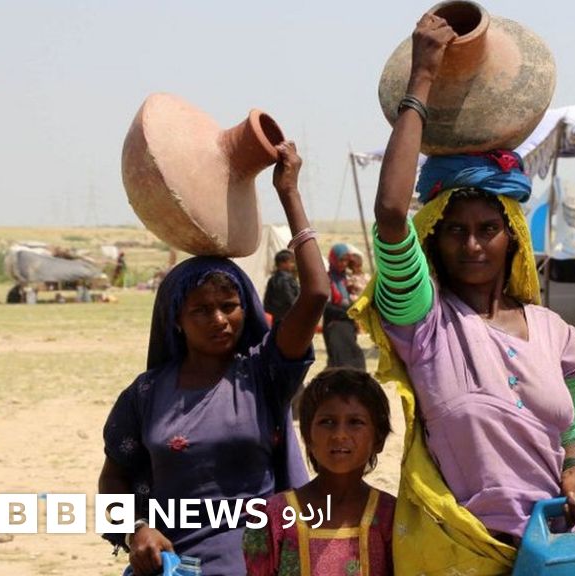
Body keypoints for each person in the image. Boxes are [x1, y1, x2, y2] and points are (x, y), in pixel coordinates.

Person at [349, 13, 575, 573]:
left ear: (512, 236)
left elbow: (568, 432)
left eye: (487, 229)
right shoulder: (425, 323)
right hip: (456, 552)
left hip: (550, 553)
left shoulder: (556, 335)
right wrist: (422, 78)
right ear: (434, 237)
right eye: (455, 230)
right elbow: (392, 214)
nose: (472, 244)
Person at [98, 142, 330, 576]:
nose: (219, 320)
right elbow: (113, 479)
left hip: (257, 563)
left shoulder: (263, 375)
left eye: (229, 306)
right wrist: (135, 530)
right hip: (171, 567)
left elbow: (316, 292)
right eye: (201, 311)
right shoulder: (146, 394)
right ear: (176, 320)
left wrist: (289, 193)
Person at [243, 368, 395, 576]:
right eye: (327, 422)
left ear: (378, 439)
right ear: (308, 436)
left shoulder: (391, 516)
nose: (340, 435)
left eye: (355, 422)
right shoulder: (274, 516)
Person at [323, 243, 367, 371]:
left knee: (352, 357)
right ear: (333, 259)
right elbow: (326, 306)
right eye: (340, 260)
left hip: (348, 324)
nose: (343, 264)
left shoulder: (348, 278)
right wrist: (347, 312)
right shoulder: (326, 279)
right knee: (339, 359)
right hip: (334, 323)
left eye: (346, 261)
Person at [264, 249, 300, 325]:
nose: (293, 265)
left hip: (277, 317)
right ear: (282, 263)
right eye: (291, 262)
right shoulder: (285, 280)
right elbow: (290, 300)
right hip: (289, 317)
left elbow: (267, 302)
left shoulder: (273, 279)